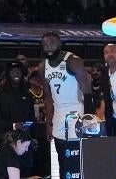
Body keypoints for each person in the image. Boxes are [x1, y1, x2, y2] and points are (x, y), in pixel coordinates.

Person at [40, 33, 88, 179]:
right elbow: (48, 97)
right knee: (61, 156)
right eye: (45, 44)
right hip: (58, 112)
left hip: (76, 109)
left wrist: (89, 117)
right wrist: (48, 123)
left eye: (52, 43)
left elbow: (88, 90)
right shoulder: (43, 67)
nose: (49, 46)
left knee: (76, 155)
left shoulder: (73, 61)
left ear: (60, 44)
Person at [96, 45, 116, 136]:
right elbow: (105, 98)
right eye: (106, 52)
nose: (109, 54)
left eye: (112, 51)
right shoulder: (104, 75)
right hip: (112, 120)